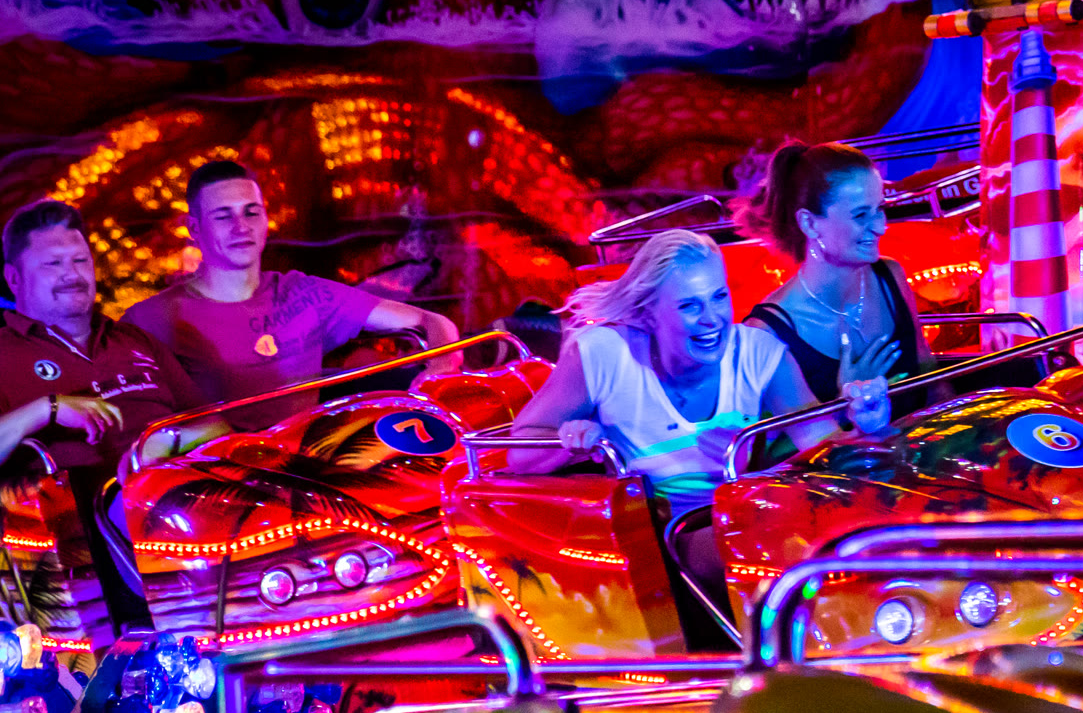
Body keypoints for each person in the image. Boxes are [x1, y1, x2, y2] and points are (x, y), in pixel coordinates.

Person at [504, 228, 849, 597]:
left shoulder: (758, 352)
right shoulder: (604, 354)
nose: (712, 319)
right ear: (649, 315)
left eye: (719, 297)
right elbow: (518, 455)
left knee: (830, 536)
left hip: (749, 515)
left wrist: (866, 422)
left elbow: (827, 449)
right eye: (689, 306)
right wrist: (572, 441)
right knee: (770, 546)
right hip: (664, 538)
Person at [0, 199, 220, 629]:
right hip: (83, 557)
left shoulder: (134, 341)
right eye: (53, 264)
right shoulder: (3, 354)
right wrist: (47, 409)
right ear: (14, 278)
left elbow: (217, 426)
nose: (71, 274)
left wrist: (164, 442)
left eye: (80, 260)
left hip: (191, 513)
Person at [124, 158, 459, 434]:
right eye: (223, 216)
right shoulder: (153, 317)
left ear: (266, 219)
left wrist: (440, 369)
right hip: (216, 474)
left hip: (308, 468)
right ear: (195, 229)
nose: (241, 227)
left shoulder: (304, 292)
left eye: (251, 212)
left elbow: (431, 321)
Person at [740, 142, 928, 429]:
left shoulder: (891, 276)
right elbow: (813, 449)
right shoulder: (767, 333)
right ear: (810, 224)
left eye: (880, 209)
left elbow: (933, 385)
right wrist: (845, 407)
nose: (880, 227)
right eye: (860, 215)